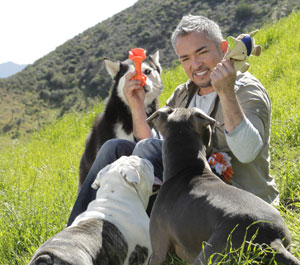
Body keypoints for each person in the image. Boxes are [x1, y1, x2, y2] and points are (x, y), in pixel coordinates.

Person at [67, 14, 278, 226]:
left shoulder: (247, 90)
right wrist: (137, 105)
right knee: (113, 149)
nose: (195, 65)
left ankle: (127, 229)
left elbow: (248, 152)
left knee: (144, 157)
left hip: (238, 202)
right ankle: (75, 230)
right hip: (192, 192)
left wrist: (226, 93)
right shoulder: (184, 94)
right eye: (185, 58)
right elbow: (152, 141)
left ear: (223, 48)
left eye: (202, 52)